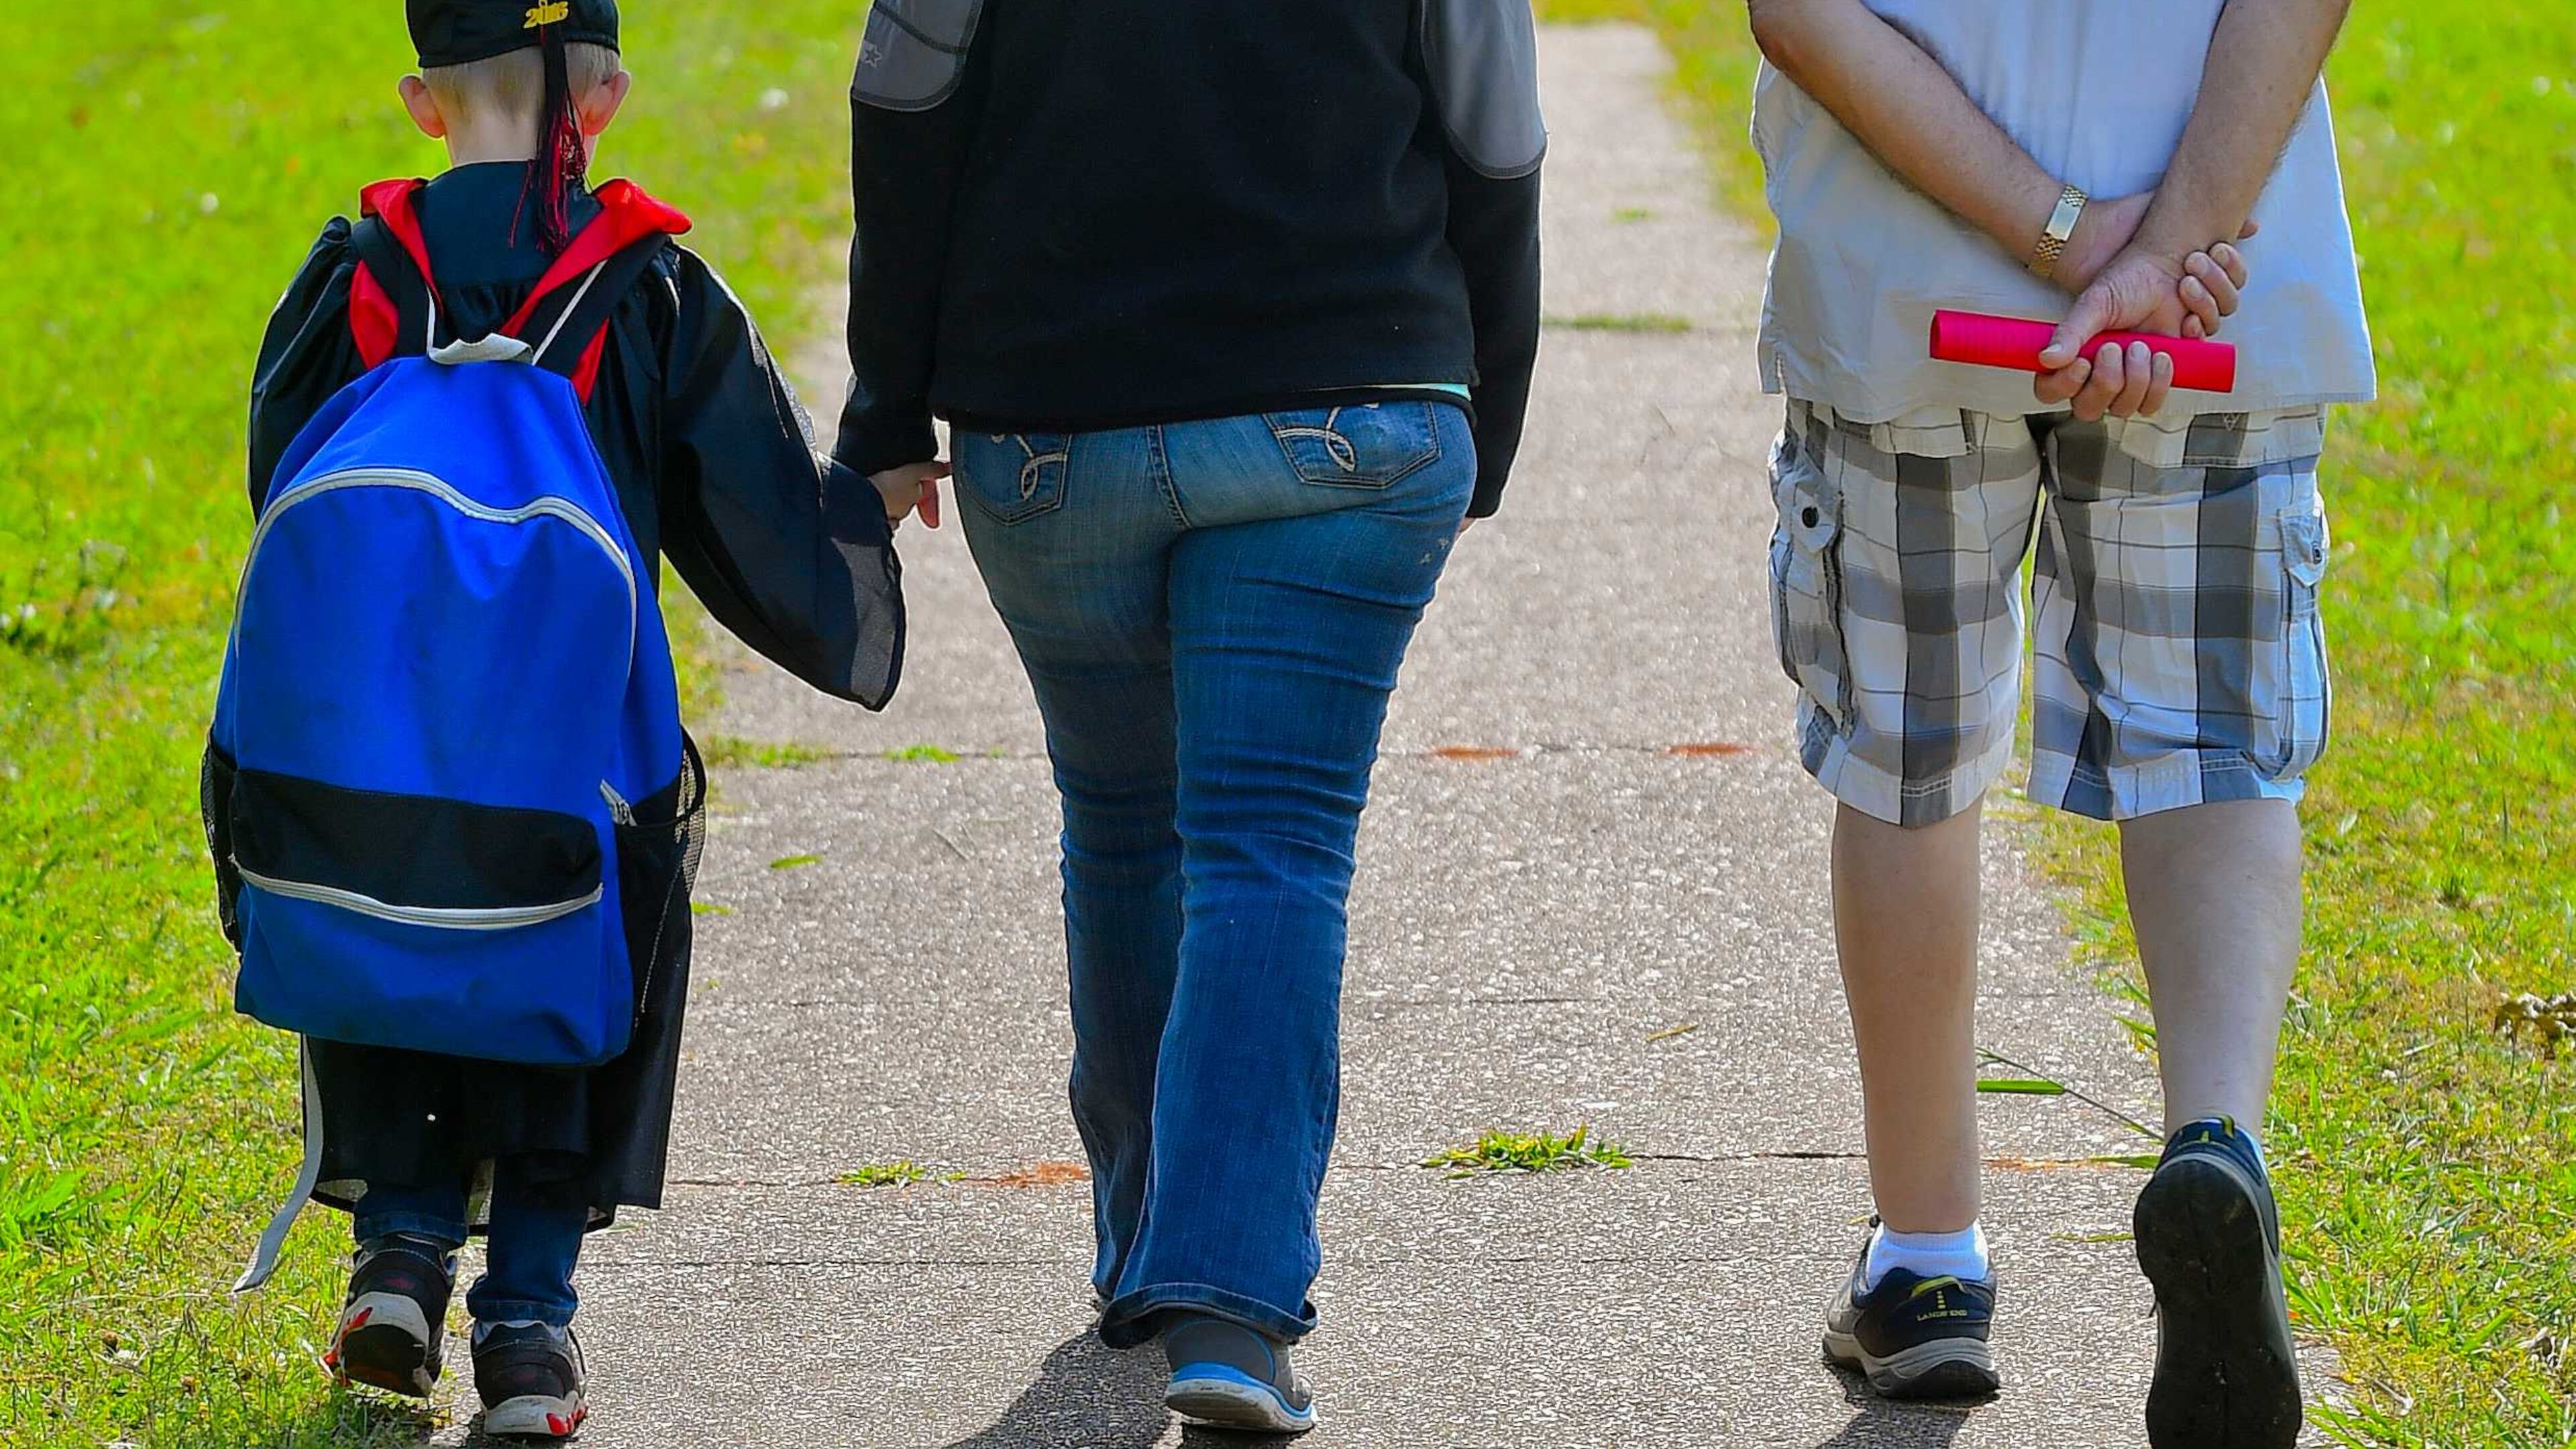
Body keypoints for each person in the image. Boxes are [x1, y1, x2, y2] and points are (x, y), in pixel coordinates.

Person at [839, 0, 1544, 1432]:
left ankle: (1147, 1251)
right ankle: (1228, 1305)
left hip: (1053, 428)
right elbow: (1497, 139)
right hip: (1353, 400)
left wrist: (889, 412)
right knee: (1270, 846)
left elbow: (904, 109)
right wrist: (1490, 408)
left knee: (1122, 823)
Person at [227, 0, 904, 1434]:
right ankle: (527, 1340)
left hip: (380, 738)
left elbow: (278, 488)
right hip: (582, 743)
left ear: (424, 106)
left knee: (398, 941)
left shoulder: (354, 276)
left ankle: (398, 1256)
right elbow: (754, 513)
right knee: (575, 981)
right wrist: (862, 516)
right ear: (603, 103)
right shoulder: (650, 289)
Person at [1743, 0, 2372, 1442]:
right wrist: (2160, 252)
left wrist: (2070, 240)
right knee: (2210, 747)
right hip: (2215, 278)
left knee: (1909, 756)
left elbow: (1801, 14)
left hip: (1909, 284)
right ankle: (2215, 1143)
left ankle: (1927, 1264)